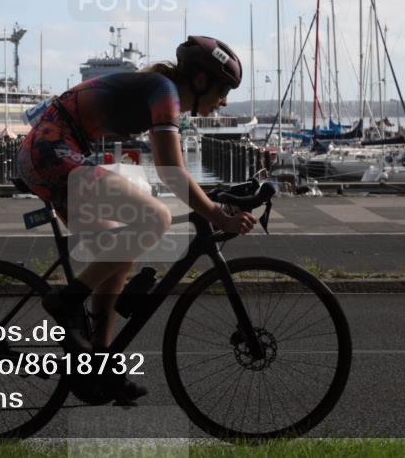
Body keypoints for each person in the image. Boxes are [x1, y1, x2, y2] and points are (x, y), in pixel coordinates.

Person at [15, 36, 257, 399]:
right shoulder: (165, 92)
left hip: (48, 152)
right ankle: (66, 301)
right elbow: (171, 170)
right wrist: (215, 215)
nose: (224, 102)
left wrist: (213, 200)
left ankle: (101, 362)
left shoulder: (163, 93)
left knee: (119, 247)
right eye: (223, 91)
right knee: (155, 217)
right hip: (51, 151)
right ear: (202, 81)